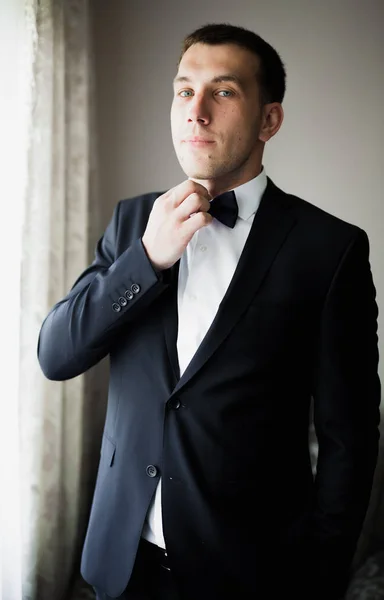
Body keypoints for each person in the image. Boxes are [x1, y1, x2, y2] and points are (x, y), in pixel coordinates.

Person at [37, 23, 381, 600]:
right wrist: (146, 259)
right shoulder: (131, 223)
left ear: (269, 120)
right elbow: (56, 354)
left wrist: (320, 577)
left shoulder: (330, 250)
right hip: (121, 565)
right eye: (183, 91)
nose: (195, 111)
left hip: (251, 573)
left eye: (222, 92)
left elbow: (349, 439)